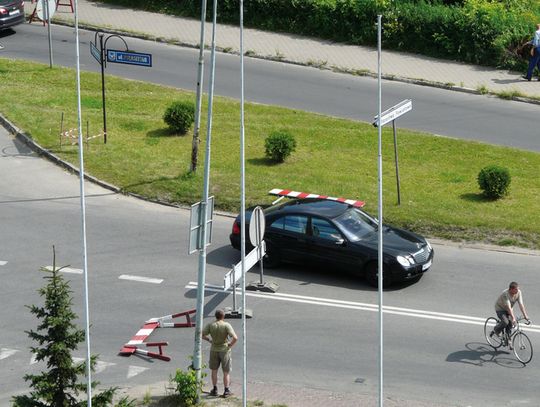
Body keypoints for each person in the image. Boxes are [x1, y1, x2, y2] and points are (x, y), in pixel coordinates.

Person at [202, 309, 238, 397]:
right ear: (223, 316)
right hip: (224, 350)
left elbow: (202, 334)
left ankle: (214, 389)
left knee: (214, 371)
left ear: (216, 316)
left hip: (214, 349)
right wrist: (230, 345)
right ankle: (226, 390)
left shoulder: (211, 325)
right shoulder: (226, 325)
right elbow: (235, 338)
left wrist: (210, 340)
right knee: (226, 371)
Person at [490, 281, 530, 349]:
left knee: (510, 323)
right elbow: (508, 307)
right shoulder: (505, 294)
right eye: (516, 289)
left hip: (509, 309)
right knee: (505, 322)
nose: (518, 290)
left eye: (518, 289)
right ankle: (496, 330)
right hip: (500, 309)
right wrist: (513, 318)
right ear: (511, 289)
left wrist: (526, 316)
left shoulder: (518, 292)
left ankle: (508, 339)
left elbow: (521, 304)